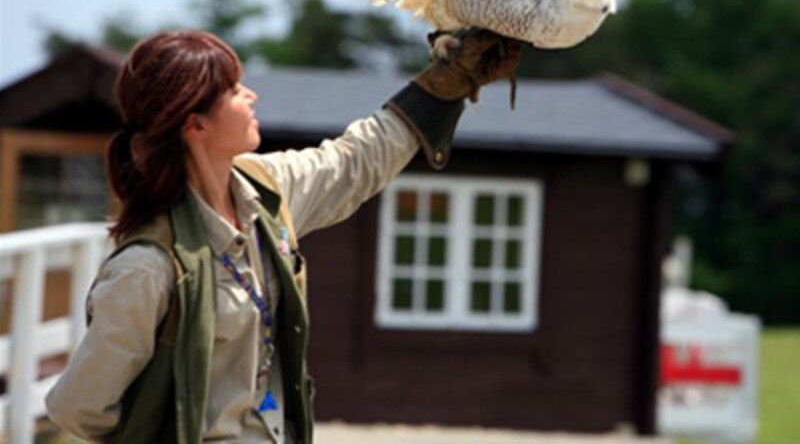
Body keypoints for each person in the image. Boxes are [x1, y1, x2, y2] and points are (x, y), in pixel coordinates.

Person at [45, 28, 522, 443]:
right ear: (195, 124)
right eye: (233, 89)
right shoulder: (148, 268)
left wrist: (448, 83)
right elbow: (80, 408)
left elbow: (356, 160)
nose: (250, 95)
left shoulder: (265, 189)